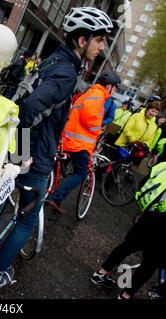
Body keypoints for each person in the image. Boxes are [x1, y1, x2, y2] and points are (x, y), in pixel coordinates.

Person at [0, 6, 114, 295]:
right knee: (27, 219)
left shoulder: (55, 60)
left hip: (21, 146)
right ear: (82, 40)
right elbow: (29, 108)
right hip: (36, 156)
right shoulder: (67, 73)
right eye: (99, 40)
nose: (101, 47)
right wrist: (26, 151)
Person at [90, 139, 166, 299]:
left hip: (153, 214)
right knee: (149, 264)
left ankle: (101, 274)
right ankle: (125, 295)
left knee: (128, 246)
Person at [46, 71, 120, 214]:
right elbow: (89, 117)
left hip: (73, 138)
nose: (115, 91)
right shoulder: (98, 95)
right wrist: (98, 130)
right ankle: (56, 198)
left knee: (58, 164)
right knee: (81, 172)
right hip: (80, 142)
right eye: (116, 87)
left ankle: (49, 188)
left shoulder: (91, 92)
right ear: (110, 86)